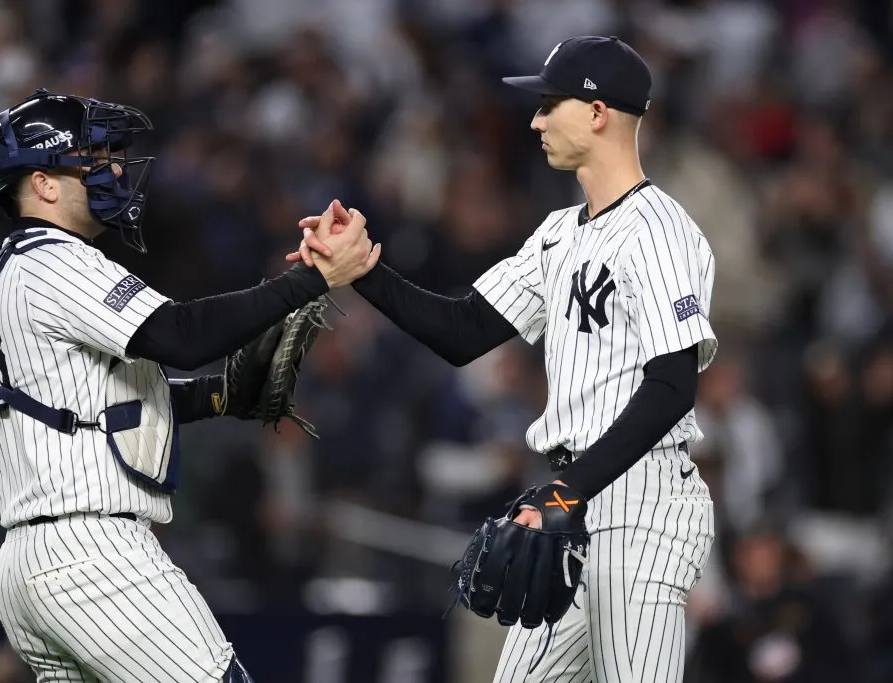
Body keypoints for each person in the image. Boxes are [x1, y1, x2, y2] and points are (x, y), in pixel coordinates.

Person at [291, 36, 718, 682]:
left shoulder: (660, 231)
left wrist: (570, 491)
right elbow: (463, 330)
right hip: (570, 502)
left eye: (550, 104)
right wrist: (363, 270)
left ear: (598, 113)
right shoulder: (557, 233)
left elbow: (672, 385)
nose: (535, 120)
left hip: (642, 503)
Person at [0, 88, 378, 682]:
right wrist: (311, 278)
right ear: (44, 183)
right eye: (94, 157)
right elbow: (182, 335)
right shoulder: (50, 259)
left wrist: (218, 395)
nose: (114, 168)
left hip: (34, 563)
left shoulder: (21, 266)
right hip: (92, 554)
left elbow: (103, 406)